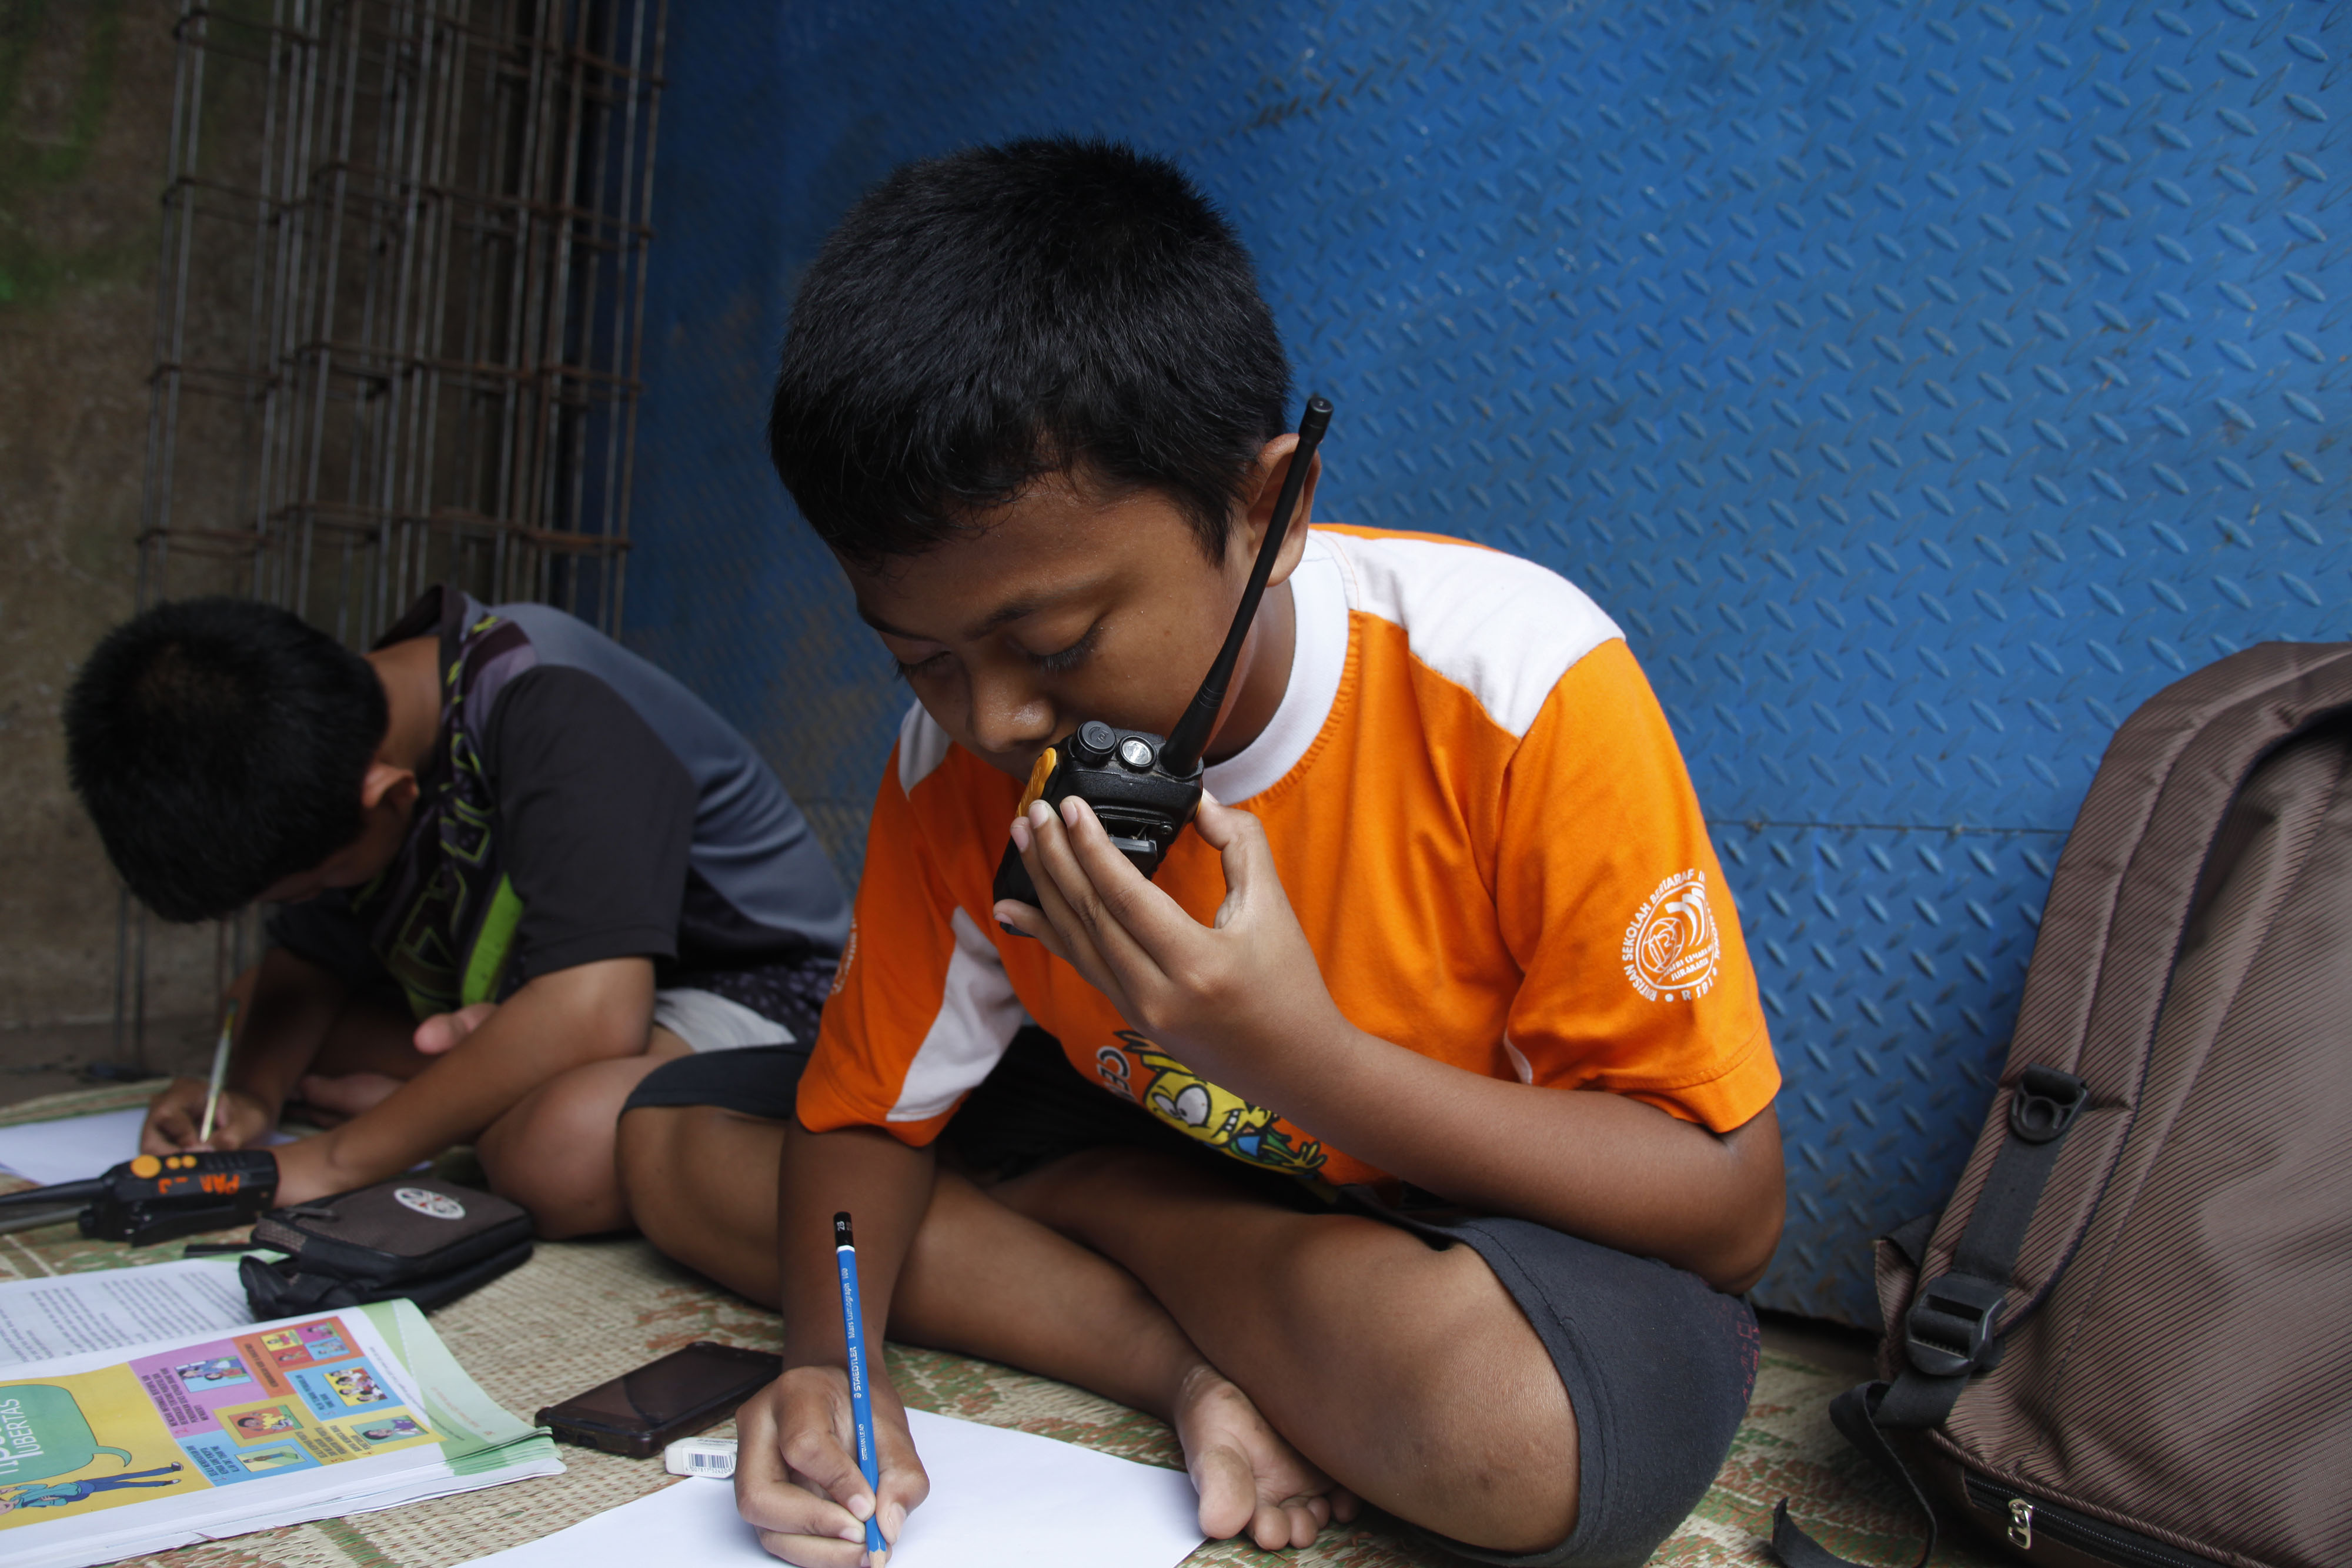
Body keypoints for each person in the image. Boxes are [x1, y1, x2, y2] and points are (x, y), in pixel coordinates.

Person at [616, 136, 1785, 1567]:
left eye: (1051, 646)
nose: (994, 719)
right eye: (920, 658)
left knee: (1514, 1431)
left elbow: (1729, 1210)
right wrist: (822, 1361)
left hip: (1450, 1220)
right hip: (1171, 1154)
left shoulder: (1514, 680)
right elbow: (862, 1118)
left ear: (1268, 507)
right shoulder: (958, 761)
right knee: (667, 1141)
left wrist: (1300, 1057)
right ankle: (1184, 1355)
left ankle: (1097, 1212)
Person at [65, 586, 849, 1232]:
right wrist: (246, 1097)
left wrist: (324, 1163)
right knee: (279, 1017)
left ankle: (461, 1101)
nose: (312, 900)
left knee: (559, 1154)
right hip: (564, 992)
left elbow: (596, 1012)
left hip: (762, 984)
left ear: (388, 796)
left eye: (308, 886)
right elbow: (302, 968)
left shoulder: (548, 699)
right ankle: (477, 1087)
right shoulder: (328, 741)